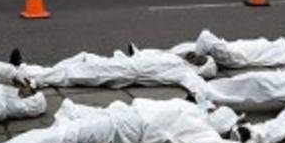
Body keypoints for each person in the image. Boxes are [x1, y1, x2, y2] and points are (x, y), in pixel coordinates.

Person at [0, 96, 244, 143]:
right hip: (120, 117)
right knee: (67, 127)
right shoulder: (190, 110)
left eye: (213, 110)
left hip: (124, 127)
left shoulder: (196, 127)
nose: (209, 108)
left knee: (63, 137)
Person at [13, 45, 217, 98]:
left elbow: (199, 88)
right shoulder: (175, 57)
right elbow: (148, 56)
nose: (195, 56)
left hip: (122, 73)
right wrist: (134, 50)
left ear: (200, 67)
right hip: (121, 63)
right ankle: (26, 70)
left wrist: (203, 104)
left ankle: (32, 80)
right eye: (200, 55)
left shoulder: (185, 73)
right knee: (82, 58)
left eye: (200, 59)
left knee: (74, 73)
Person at [176, 29, 285, 69]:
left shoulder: (278, 52)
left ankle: (196, 56)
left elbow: (205, 35)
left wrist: (198, 54)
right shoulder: (272, 48)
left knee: (203, 40)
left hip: (240, 55)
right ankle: (196, 56)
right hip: (240, 53)